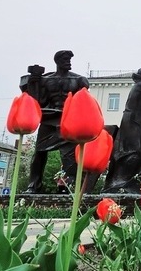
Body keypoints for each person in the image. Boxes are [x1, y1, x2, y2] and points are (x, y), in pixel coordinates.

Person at [20, 50, 90, 193]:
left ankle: (68, 186)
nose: (68, 62)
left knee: (69, 156)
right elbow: (38, 100)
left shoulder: (79, 80)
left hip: (68, 120)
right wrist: (34, 81)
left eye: (69, 59)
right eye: (65, 59)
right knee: (39, 152)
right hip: (49, 119)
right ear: (57, 61)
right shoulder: (46, 80)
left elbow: (82, 102)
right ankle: (34, 185)